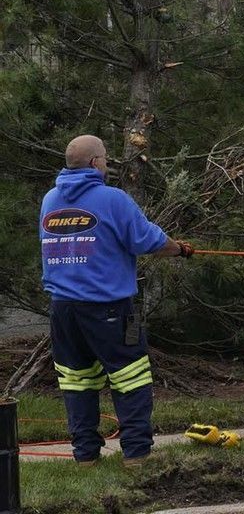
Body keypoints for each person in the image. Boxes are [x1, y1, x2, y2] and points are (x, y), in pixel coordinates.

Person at [39, 135, 193, 466]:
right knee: (131, 375)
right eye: (105, 159)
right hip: (111, 308)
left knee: (77, 380)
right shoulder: (113, 199)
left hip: (63, 310)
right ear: (95, 163)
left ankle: (85, 458)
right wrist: (180, 249)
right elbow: (149, 241)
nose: (108, 164)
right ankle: (136, 455)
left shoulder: (50, 200)